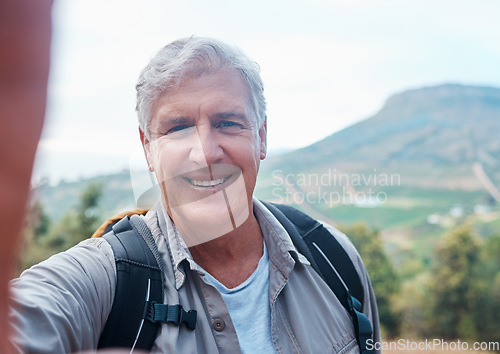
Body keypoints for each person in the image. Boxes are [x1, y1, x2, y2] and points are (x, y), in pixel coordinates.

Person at [9, 36, 381, 353]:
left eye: (228, 123)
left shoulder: (334, 260)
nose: (205, 153)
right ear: (148, 149)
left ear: (262, 137)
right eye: (178, 127)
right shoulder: (105, 280)